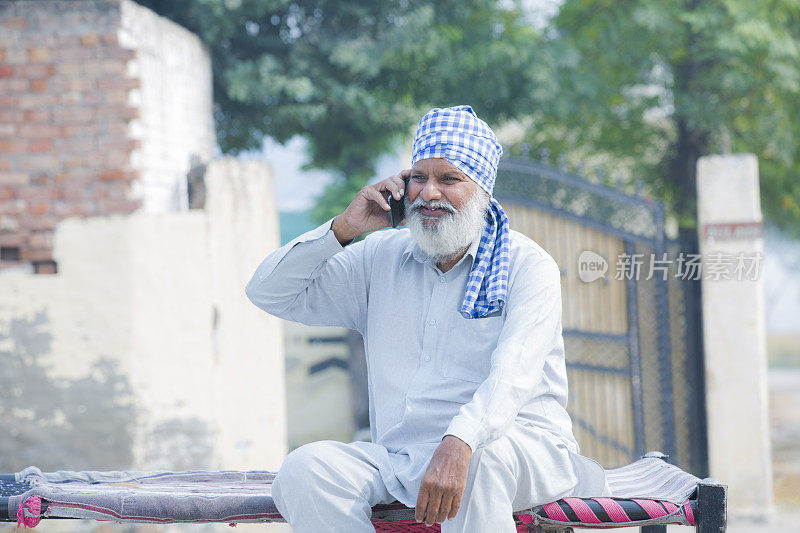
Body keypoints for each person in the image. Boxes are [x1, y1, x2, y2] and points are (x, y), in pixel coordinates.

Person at [245, 105, 610, 532]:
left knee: (481, 462)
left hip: (515, 449)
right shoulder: (378, 257)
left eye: (449, 179)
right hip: (403, 456)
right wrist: (344, 228)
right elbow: (268, 292)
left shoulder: (527, 265)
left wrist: (461, 441)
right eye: (419, 177)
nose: (429, 193)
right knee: (307, 469)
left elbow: (513, 376)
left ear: (482, 189)